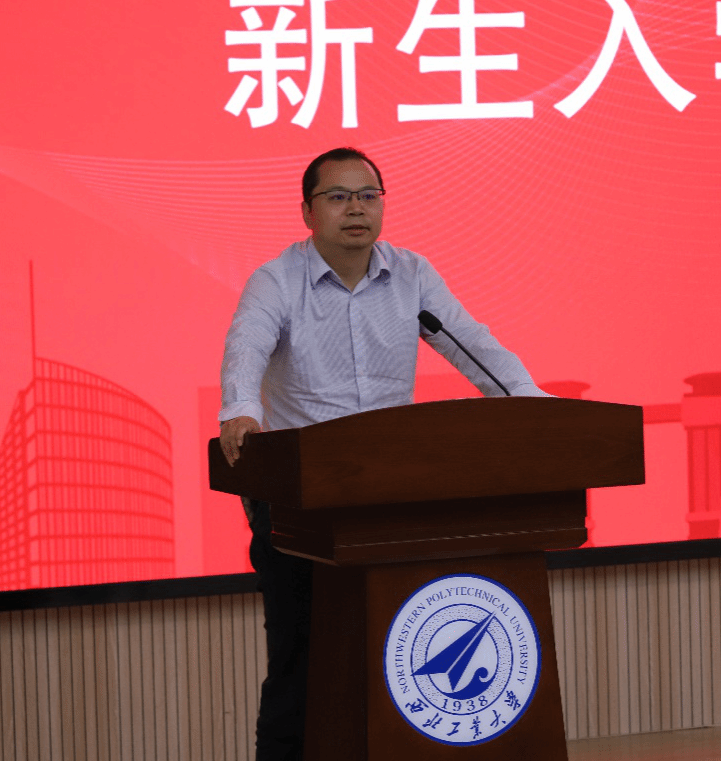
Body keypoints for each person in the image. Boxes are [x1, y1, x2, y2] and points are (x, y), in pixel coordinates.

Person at [217, 147, 546, 761]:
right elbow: (247, 346)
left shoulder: (412, 275)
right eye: (339, 197)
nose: (356, 209)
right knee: (299, 660)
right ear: (308, 211)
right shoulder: (276, 281)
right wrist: (240, 409)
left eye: (369, 196)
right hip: (300, 502)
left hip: (389, 499)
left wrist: (532, 404)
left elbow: (472, 343)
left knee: (395, 647)